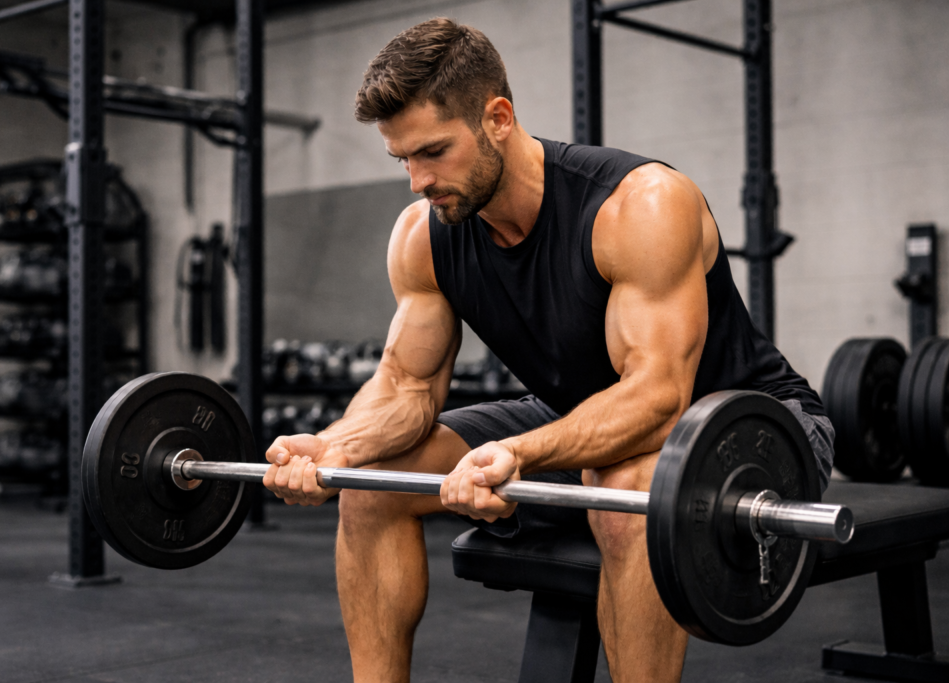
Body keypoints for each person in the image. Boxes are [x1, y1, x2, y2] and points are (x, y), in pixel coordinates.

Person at [262, 17, 834, 683]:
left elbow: (656, 398)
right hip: (581, 413)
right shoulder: (426, 233)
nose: (417, 180)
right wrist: (336, 446)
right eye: (403, 159)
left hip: (751, 425)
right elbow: (406, 387)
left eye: (433, 152)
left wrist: (522, 454)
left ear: (498, 117)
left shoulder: (639, 205)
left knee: (622, 491)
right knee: (370, 487)